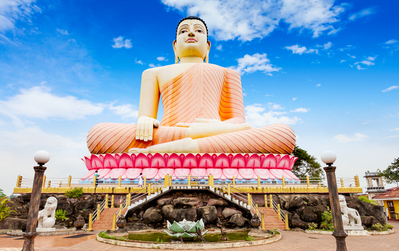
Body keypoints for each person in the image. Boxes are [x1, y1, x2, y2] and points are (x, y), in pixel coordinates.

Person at [87, 16, 295, 154]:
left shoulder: (228, 73)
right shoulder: (153, 73)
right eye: (184, 31)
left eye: (198, 31)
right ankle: (184, 145)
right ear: (175, 47)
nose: (191, 33)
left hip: (218, 131)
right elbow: (147, 119)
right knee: (99, 133)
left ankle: (155, 154)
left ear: (208, 47)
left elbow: (238, 121)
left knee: (284, 133)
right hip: (170, 132)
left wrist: (217, 128)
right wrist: (145, 120)